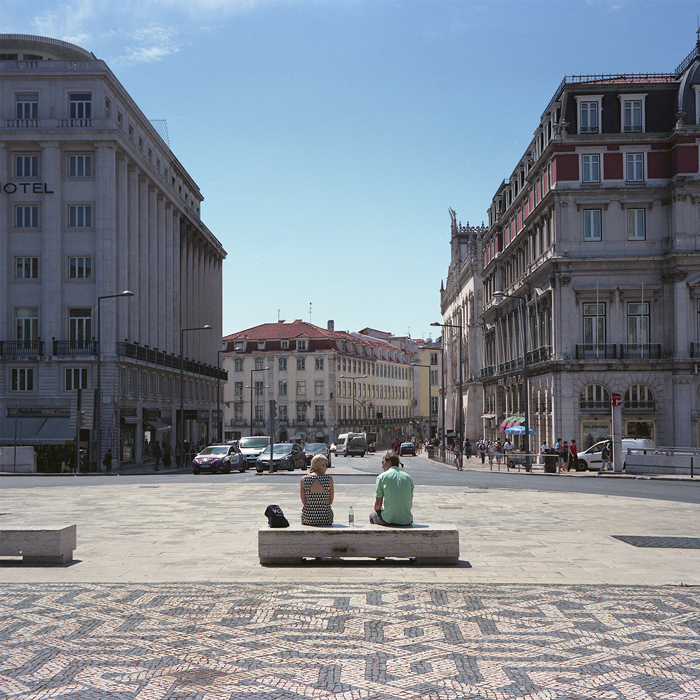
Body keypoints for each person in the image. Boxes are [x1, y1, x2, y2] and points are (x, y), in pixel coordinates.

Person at [370, 451, 413, 526]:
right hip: (406, 520)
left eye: (383, 462)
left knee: (372, 516)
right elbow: (409, 501)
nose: (382, 466)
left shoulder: (381, 477)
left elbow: (378, 505)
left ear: (389, 462)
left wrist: (378, 510)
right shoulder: (408, 477)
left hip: (388, 519)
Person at [300, 454, 334, 526]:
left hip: (308, 517)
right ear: (321, 465)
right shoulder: (329, 479)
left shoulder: (304, 479)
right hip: (326, 518)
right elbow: (330, 501)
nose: (326, 468)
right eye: (326, 465)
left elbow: (304, 502)